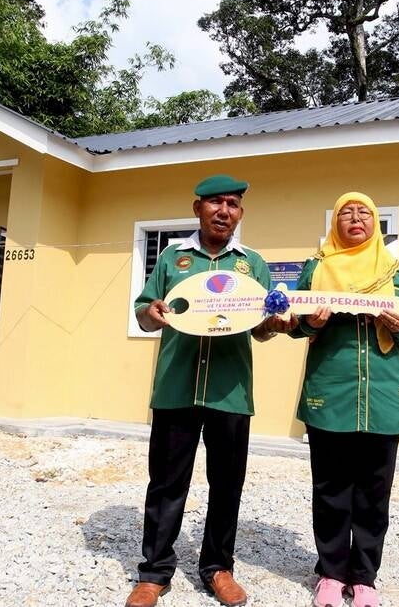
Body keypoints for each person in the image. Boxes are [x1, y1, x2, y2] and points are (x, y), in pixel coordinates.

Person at [125, 175, 297, 607]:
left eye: (234, 204)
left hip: (230, 392)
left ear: (241, 213)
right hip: (176, 389)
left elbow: (259, 329)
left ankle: (217, 568)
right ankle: (155, 572)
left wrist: (274, 325)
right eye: (216, 203)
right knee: (166, 483)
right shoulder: (172, 258)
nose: (225, 211)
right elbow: (144, 312)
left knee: (227, 484)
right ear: (197, 208)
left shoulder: (251, 264)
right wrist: (151, 311)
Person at [290, 192, 399, 607]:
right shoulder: (317, 266)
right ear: (335, 224)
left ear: (375, 225)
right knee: (330, 488)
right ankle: (330, 574)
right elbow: (293, 320)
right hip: (330, 392)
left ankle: (364, 577)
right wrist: (308, 321)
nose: (355, 219)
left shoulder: (393, 269)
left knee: (373, 491)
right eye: (345, 213)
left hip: (382, 393)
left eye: (363, 213)